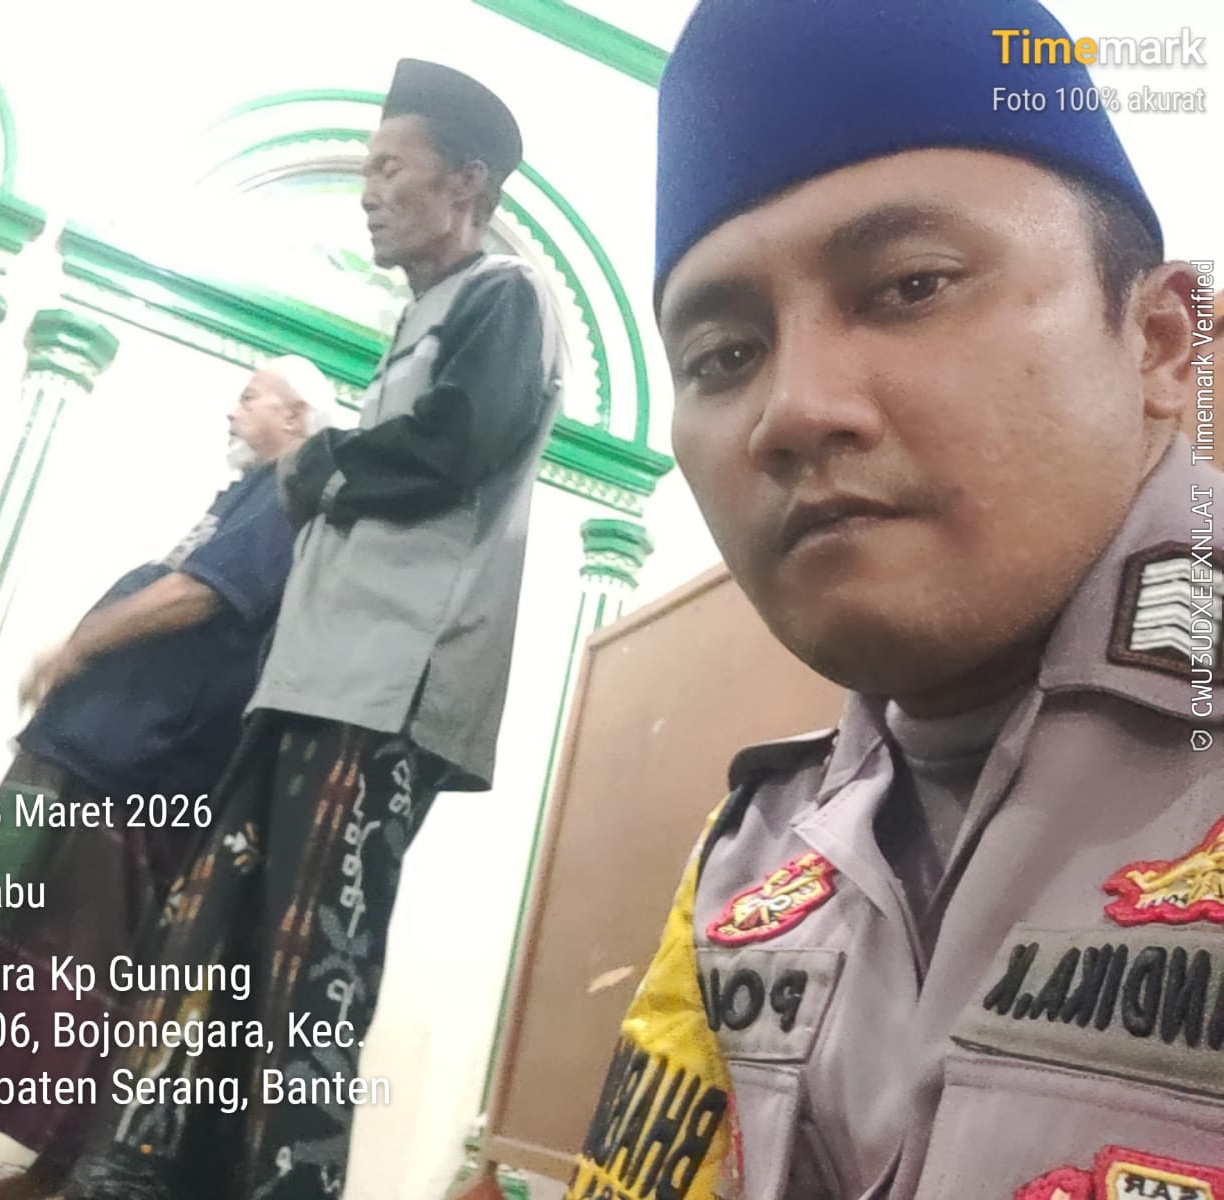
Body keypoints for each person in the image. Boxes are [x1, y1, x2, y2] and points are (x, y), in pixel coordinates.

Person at [568, 1, 1222, 1197]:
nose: (793, 411)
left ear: (1162, 344)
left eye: (911, 286)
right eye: (723, 357)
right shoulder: (749, 863)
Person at [66, 57, 566, 1200]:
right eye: (366, 171)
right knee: (218, 949)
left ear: (467, 183)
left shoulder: (509, 297)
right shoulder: (427, 312)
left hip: (382, 694)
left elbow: (455, 443)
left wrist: (312, 465)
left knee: (307, 977)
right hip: (312, 685)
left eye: (391, 168)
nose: (368, 192)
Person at [0, 355, 335, 1200]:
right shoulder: (249, 493)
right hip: (101, 752)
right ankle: (45, 1175)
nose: (232, 410)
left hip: (136, 769)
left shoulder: (289, 487)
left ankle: (56, 1179)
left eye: (250, 396)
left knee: (81, 979)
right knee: (32, 964)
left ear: (296, 417)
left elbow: (204, 594)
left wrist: (77, 646)